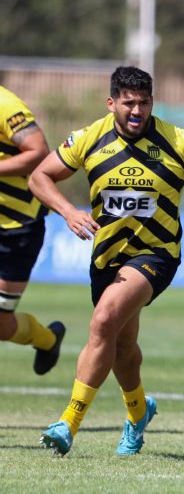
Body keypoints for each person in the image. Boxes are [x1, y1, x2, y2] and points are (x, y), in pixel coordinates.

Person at [29, 66, 184, 456]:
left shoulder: (181, 141)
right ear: (111, 104)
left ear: (152, 103)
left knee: (104, 319)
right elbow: (39, 176)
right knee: (122, 346)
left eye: (144, 102)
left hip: (156, 255)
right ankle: (138, 412)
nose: (137, 110)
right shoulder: (90, 137)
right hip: (106, 256)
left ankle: (68, 423)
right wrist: (67, 212)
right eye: (128, 103)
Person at [0, 86, 65, 375]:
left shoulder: (5, 105)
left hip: (16, 229)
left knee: (2, 326)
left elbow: (39, 152)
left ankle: (48, 340)